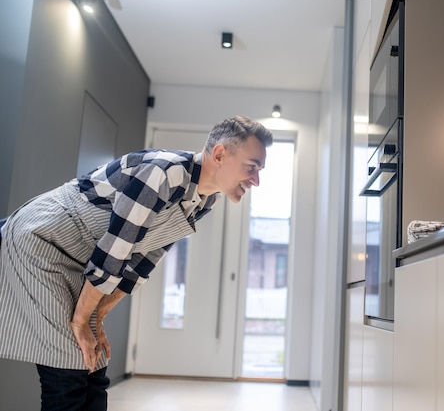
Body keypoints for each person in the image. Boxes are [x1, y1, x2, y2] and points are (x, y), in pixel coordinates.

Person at [0, 115, 273, 411]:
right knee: (68, 368)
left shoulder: (205, 199)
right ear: (220, 154)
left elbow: (145, 258)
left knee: (95, 365)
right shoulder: (164, 173)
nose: (256, 180)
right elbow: (115, 251)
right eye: (252, 167)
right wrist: (82, 320)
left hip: (82, 258)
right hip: (43, 240)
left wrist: (97, 316)